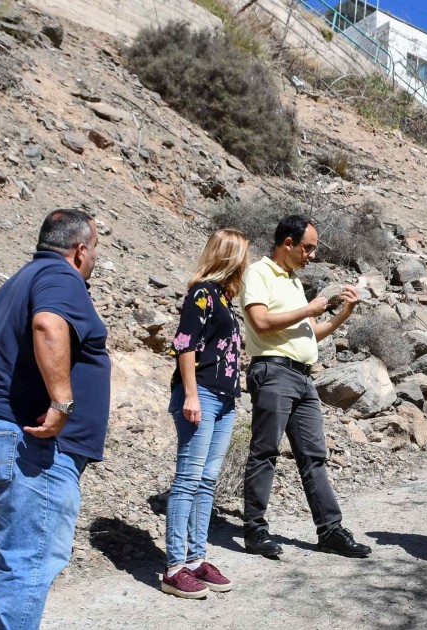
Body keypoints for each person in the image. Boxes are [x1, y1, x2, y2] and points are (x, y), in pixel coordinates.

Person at [0, 209, 110, 629]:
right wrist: (62, 404)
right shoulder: (63, 278)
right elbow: (47, 326)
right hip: (29, 443)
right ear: (80, 250)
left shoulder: (13, 284)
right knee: (28, 565)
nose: (94, 257)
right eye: (94, 248)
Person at [240, 215, 371, 559]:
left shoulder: (294, 282)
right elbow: (261, 322)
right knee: (265, 451)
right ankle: (254, 530)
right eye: (308, 248)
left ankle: (330, 530)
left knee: (314, 456)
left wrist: (342, 315)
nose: (311, 255)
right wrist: (308, 309)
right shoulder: (259, 274)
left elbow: (311, 332)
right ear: (288, 243)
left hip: (302, 376)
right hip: (273, 370)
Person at [160, 229, 250, 599]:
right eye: (243, 255)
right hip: (202, 395)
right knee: (188, 479)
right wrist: (191, 395)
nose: (246, 262)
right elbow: (185, 346)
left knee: (207, 480)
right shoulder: (201, 294)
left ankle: (196, 559)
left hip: (225, 399)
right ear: (229, 256)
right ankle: (174, 567)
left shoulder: (226, 299)